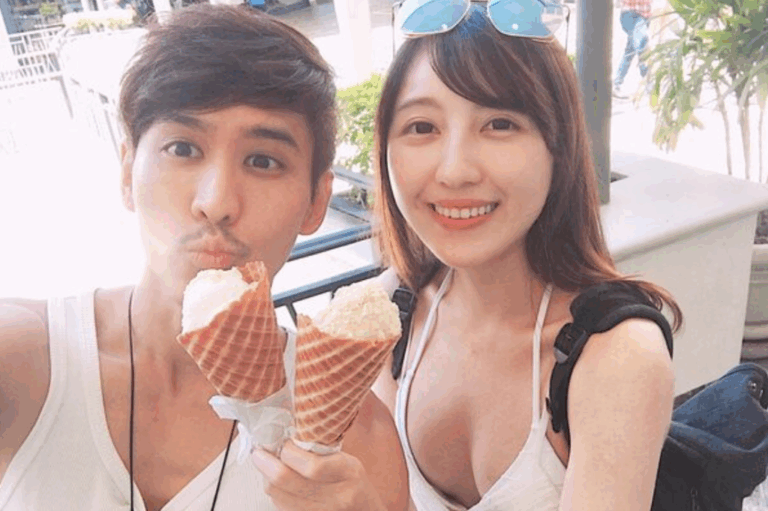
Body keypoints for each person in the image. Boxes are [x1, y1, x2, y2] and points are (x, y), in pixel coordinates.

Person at [0, 5, 408, 511]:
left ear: (316, 202)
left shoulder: (359, 441)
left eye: (263, 160)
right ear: (127, 171)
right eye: (182, 149)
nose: (216, 202)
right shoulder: (23, 360)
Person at [371, 2, 682, 510]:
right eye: (422, 127)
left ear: (558, 149)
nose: (454, 171)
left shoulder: (616, 355)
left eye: (499, 124)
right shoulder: (391, 310)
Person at [613, 0, 652, 99]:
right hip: (630, 15)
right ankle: (648, 82)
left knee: (630, 51)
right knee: (641, 45)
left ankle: (616, 84)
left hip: (645, 16)